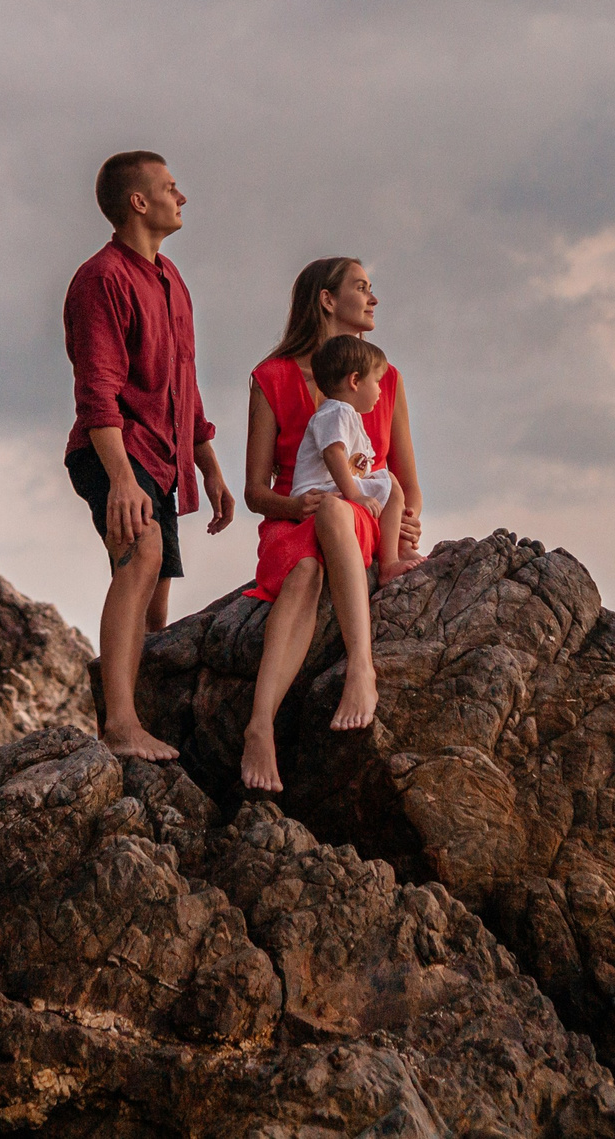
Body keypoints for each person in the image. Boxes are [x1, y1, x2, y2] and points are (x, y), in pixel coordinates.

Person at [64, 150, 235, 762]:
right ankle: (119, 727)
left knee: (157, 611)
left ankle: (132, 720)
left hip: (161, 461)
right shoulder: (101, 279)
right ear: (139, 201)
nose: (181, 197)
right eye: (170, 187)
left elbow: (183, 384)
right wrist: (121, 484)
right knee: (142, 559)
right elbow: (97, 391)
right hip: (112, 451)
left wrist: (208, 466)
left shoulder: (171, 279)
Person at [238, 258, 424, 792]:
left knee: (341, 511)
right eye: (362, 288)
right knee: (301, 572)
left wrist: (406, 523)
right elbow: (255, 491)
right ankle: (259, 727)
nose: (373, 299)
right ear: (326, 299)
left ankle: (360, 668)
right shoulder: (271, 378)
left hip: (356, 516)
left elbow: (405, 482)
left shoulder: (386, 380)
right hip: (293, 518)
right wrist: (295, 509)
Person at [290, 335, 408, 584]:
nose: (380, 390)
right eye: (376, 381)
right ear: (355, 381)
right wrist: (354, 495)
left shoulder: (344, 414)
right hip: (320, 491)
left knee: (388, 484)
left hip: (329, 490)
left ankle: (390, 555)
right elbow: (333, 454)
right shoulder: (337, 411)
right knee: (392, 485)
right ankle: (390, 561)